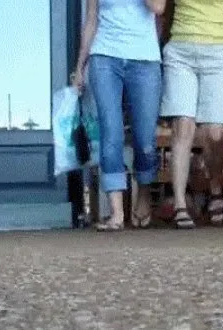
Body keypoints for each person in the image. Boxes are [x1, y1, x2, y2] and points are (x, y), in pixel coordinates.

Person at [160, 0, 223, 229]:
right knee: (183, 125)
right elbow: (162, 9)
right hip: (181, 48)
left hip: (221, 50)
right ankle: (180, 204)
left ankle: (214, 187)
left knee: (215, 133)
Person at [72, 0, 166, 231]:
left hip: (144, 59)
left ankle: (143, 194)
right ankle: (116, 213)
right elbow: (91, 19)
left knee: (145, 140)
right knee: (110, 132)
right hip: (104, 56)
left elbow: (158, 8)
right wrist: (80, 65)